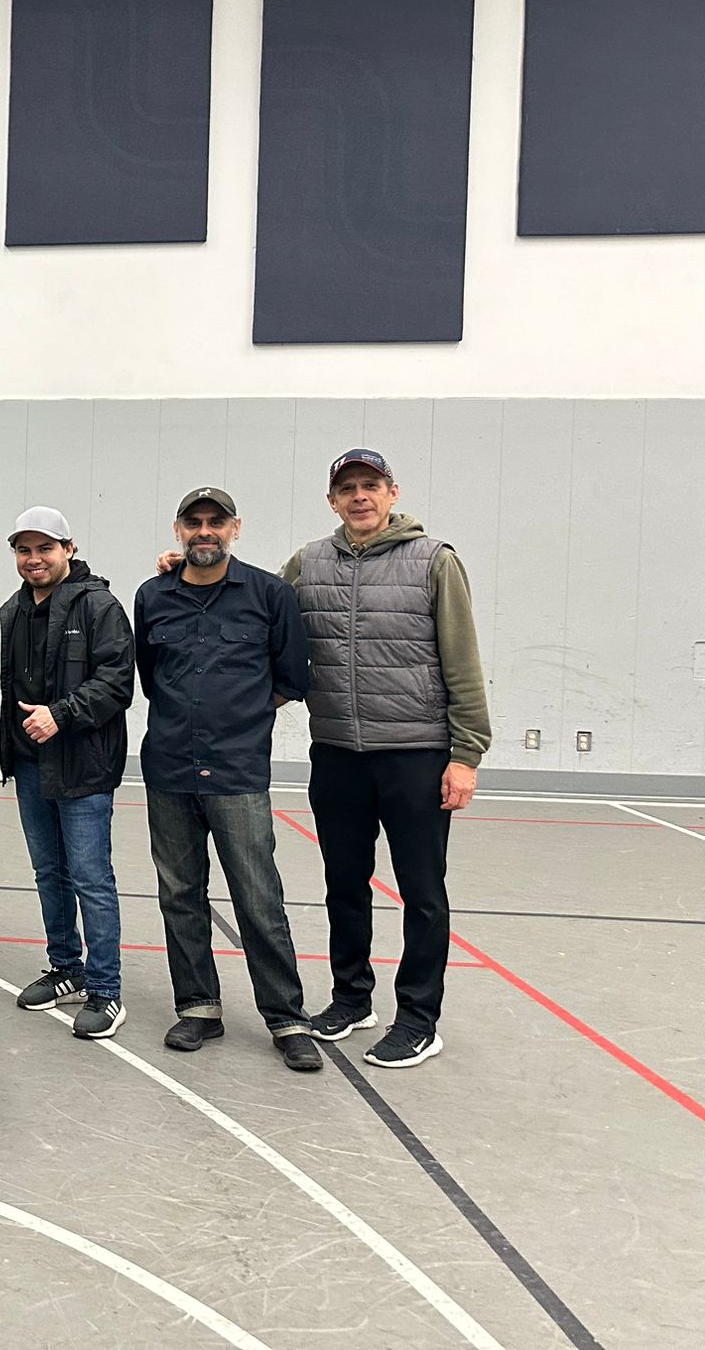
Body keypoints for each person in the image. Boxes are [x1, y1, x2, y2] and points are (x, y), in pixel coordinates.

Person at [283, 449, 491, 1069]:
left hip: (416, 755)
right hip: (338, 754)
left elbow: (462, 661)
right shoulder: (307, 563)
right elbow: (254, 610)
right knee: (344, 886)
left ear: (392, 492)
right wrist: (186, 567)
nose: (360, 496)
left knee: (422, 893)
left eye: (370, 485)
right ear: (332, 500)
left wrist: (466, 754)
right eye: (347, 488)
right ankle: (352, 999)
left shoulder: (434, 560)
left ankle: (419, 1019)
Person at [134, 488, 322, 1073]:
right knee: (180, 894)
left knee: (258, 896)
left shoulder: (270, 594)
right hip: (169, 768)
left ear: (235, 528)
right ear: (178, 530)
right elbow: (151, 678)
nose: (205, 531)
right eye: (194, 522)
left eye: (216, 521)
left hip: (238, 772)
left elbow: (291, 678)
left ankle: (287, 1018)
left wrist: (238, 719)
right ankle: (199, 1007)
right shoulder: (152, 596)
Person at [0, 506, 135, 1040]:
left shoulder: (99, 605)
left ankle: (105, 989)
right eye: (24, 550)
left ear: (68, 550)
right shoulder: (12, 610)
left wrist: (61, 714)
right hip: (31, 764)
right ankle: (66, 967)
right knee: (48, 873)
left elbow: (117, 682)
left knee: (91, 878)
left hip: (83, 766)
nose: (34, 559)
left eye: (45, 548)